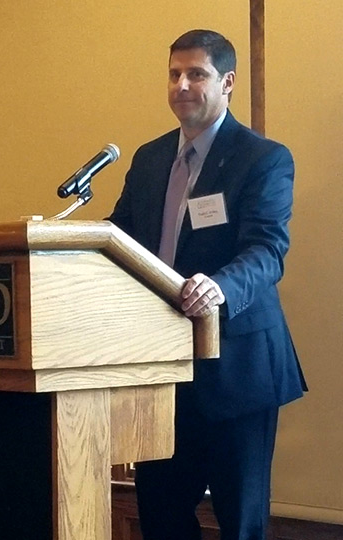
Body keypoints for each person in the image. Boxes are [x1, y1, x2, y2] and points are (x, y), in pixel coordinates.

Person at [109, 29, 307, 540]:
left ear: (228, 83)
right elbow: (120, 241)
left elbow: (267, 250)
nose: (182, 85)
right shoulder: (150, 159)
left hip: (236, 372)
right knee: (161, 517)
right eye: (174, 74)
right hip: (161, 373)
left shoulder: (262, 158)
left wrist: (219, 287)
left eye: (196, 74)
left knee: (239, 523)